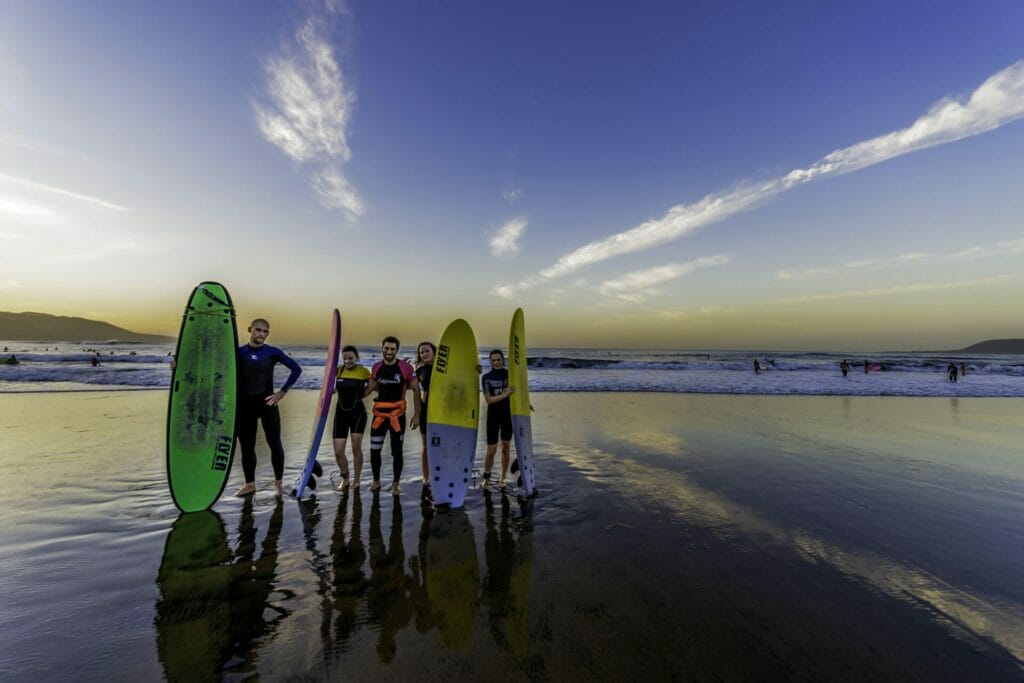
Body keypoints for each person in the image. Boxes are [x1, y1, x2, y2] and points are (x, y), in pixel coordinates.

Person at [235, 318, 301, 497]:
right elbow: (216, 370)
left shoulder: (272, 352)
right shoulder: (238, 352)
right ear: (250, 330)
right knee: (247, 447)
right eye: (258, 330)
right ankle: (249, 484)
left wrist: (282, 392)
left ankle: (278, 484)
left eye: (265, 332)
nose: (261, 334)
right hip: (244, 406)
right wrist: (177, 366)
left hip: (267, 404)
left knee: (275, 443)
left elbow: (296, 369)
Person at [366, 336, 421, 495]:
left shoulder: (405, 367)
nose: (389, 351)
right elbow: (369, 389)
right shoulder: (376, 367)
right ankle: (376, 481)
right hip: (379, 417)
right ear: (382, 348)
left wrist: (417, 415)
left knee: (396, 451)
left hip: (397, 417)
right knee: (374, 450)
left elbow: (416, 390)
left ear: (397, 350)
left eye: (392, 349)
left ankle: (396, 483)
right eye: (386, 348)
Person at [332, 345, 371, 491]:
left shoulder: (363, 371)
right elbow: (335, 388)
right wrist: (330, 392)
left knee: (356, 448)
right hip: (340, 413)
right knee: (338, 452)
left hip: (358, 413)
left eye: (350, 358)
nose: (347, 361)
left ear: (356, 357)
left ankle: (357, 480)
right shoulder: (338, 371)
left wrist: (364, 394)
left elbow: (374, 385)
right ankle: (345, 478)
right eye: (345, 358)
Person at [480, 349, 515, 490]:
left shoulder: (510, 375)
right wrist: (506, 394)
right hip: (493, 415)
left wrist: (525, 405)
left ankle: (503, 477)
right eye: (493, 360)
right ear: (490, 362)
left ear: (503, 360)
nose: (496, 362)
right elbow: (489, 400)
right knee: (491, 450)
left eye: (498, 359)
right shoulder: (486, 377)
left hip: (507, 415)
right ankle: (486, 479)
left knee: (505, 449)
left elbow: (517, 393)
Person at [415, 342, 436, 487]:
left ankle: (440, 474)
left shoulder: (443, 369)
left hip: (441, 410)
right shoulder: (419, 370)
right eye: (421, 352)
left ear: (434, 352)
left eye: (427, 351)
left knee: (439, 443)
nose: (424, 354)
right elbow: (413, 390)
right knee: (425, 445)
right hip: (425, 408)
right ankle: (426, 478)